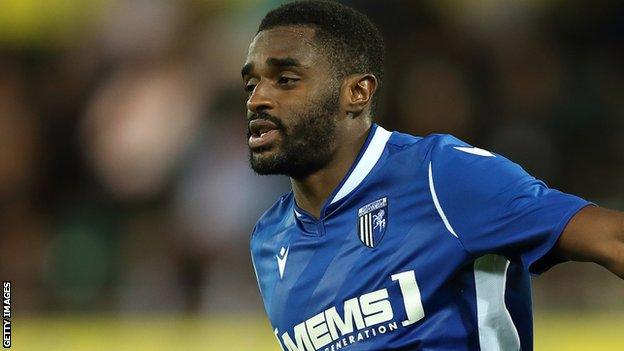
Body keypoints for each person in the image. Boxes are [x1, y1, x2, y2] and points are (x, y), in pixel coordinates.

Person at [243, 1, 623, 350]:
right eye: (251, 83)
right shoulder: (269, 240)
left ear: (357, 92)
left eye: (286, 80)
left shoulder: (439, 175)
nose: (256, 98)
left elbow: (611, 238)